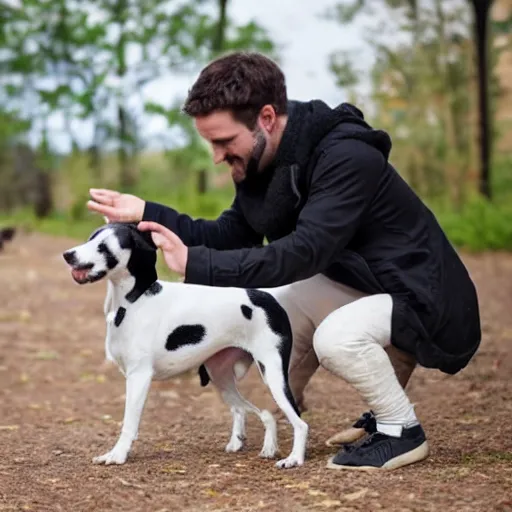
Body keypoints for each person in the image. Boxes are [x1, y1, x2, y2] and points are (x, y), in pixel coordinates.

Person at [87, 51, 481, 471]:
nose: (217, 156)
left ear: (268, 119)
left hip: (424, 295)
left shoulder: (347, 157)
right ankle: (297, 413)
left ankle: (401, 430)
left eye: (223, 141)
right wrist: (148, 213)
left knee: (336, 338)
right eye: (210, 143)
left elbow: (303, 252)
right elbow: (231, 235)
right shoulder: (263, 161)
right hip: (365, 281)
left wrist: (195, 264)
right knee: (270, 311)